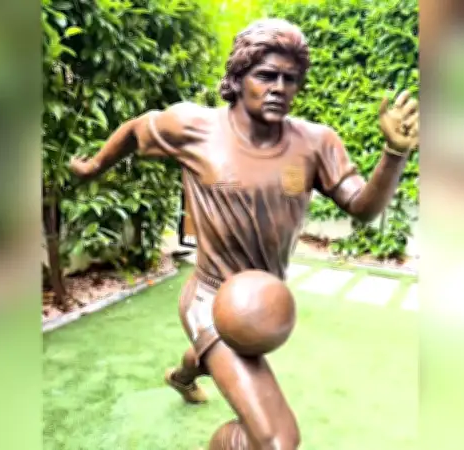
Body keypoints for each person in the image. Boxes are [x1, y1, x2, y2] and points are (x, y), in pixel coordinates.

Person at [69, 18, 419, 450]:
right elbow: (137, 129)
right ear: (237, 79)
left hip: (264, 304)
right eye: (266, 75)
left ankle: (183, 375)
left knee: (224, 353)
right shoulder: (192, 128)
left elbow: (362, 207)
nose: (279, 88)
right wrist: (91, 168)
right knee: (276, 440)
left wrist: (394, 153)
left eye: (290, 79)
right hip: (209, 299)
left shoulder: (316, 143)